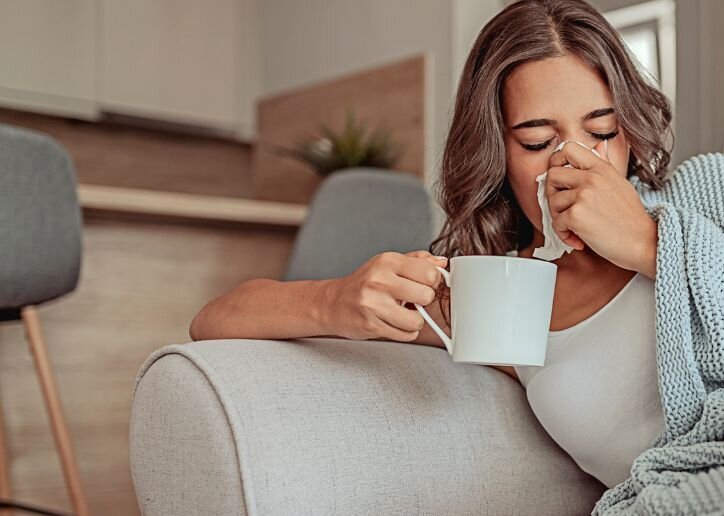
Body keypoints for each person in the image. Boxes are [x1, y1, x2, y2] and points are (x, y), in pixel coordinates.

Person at [188, 0, 674, 489]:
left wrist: (648, 244)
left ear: (629, 132)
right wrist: (336, 300)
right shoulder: (499, 293)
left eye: (602, 131)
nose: (574, 162)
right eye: (536, 141)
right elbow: (215, 319)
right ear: (497, 154)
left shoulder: (705, 208)